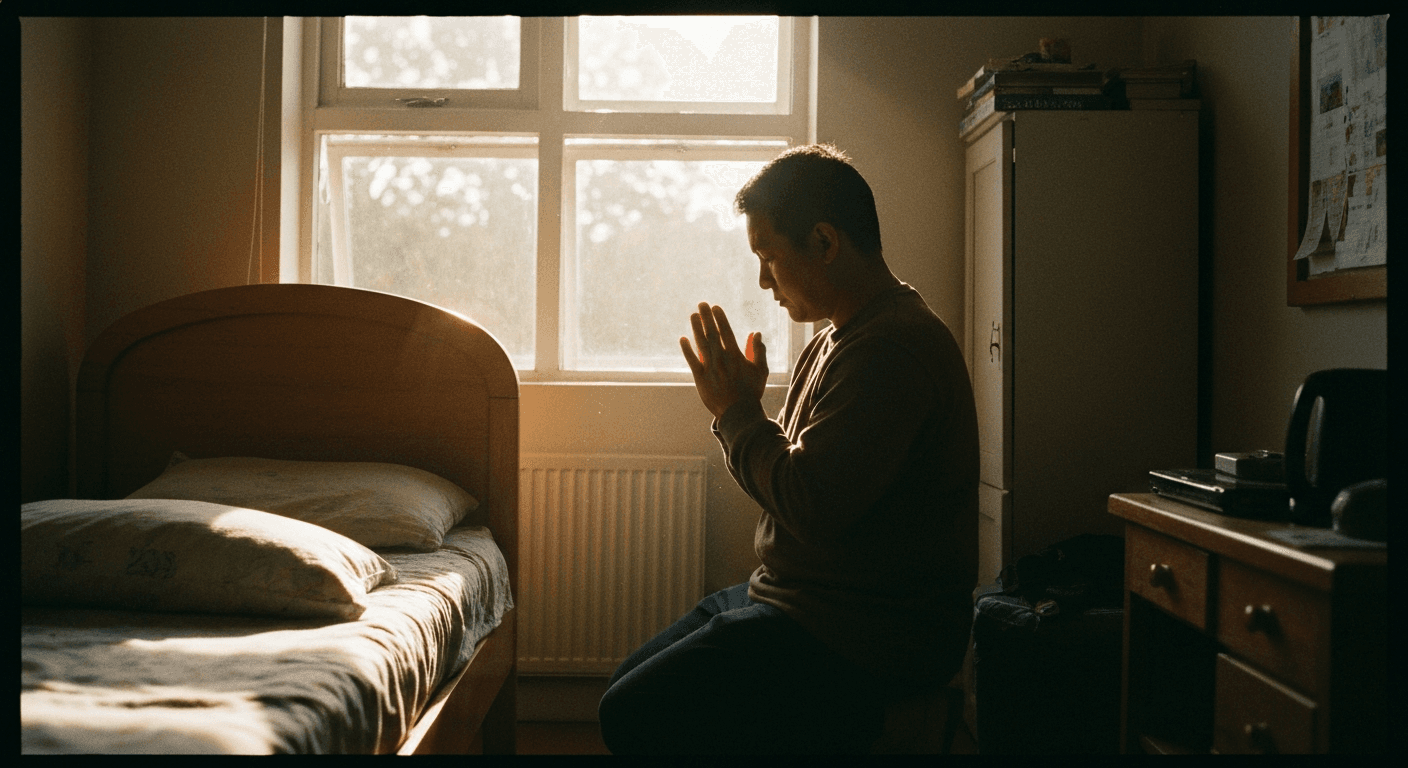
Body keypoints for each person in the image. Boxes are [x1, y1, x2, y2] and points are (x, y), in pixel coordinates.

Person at [597, 144, 979, 754]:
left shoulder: (891, 349)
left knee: (633, 713)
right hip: (799, 598)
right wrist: (743, 418)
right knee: (623, 689)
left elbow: (809, 503)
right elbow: (796, 482)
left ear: (825, 243)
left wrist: (738, 415)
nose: (762, 279)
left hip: (866, 633)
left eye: (769, 256)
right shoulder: (837, 338)